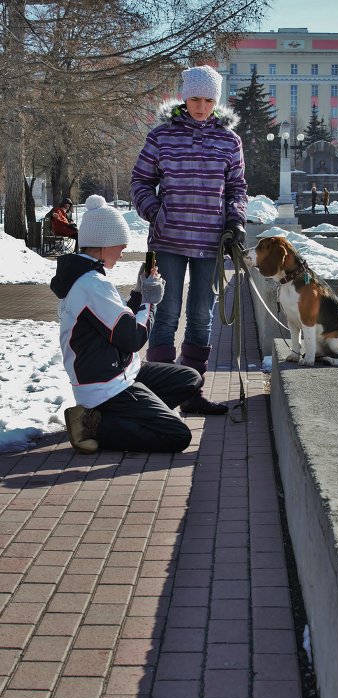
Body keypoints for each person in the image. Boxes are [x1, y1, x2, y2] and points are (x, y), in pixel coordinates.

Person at [131, 64, 247, 415]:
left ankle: (191, 394)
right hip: (167, 241)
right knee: (165, 315)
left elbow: (237, 188)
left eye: (208, 100)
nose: (200, 106)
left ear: (217, 100)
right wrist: (156, 212)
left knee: (201, 317)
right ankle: (160, 397)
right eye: (195, 98)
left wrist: (236, 222)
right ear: (184, 97)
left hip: (210, 245)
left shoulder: (230, 141)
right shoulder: (162, 136)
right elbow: (139, 181)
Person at [50, 195, 202, 455]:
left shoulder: (88, 277)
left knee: (189, 378)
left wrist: (140, 292)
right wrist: (150, 301)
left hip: (118, 373)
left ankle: (124, 418)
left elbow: (117, 322)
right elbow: (132, 338)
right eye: (120, 246)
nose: (122, 253)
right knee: (177, 436)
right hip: (106, 386)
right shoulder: (91, 284)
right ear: (103, 243)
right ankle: (94, 425)